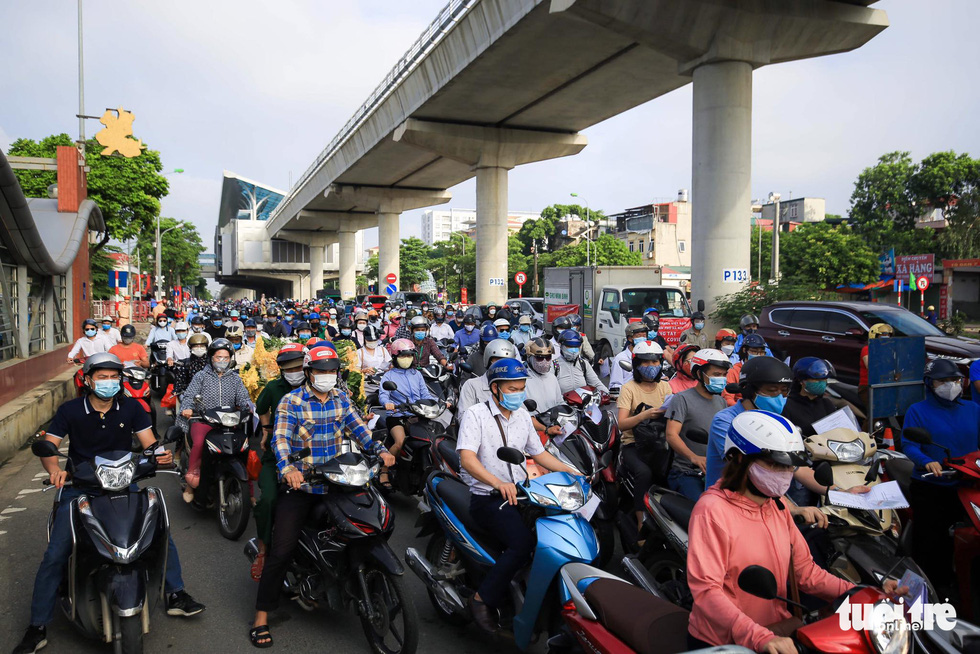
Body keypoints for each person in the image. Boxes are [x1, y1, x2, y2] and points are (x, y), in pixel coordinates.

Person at [12, 354, 204, 654]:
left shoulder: (131, 407)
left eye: (114, 377)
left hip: (123, 484)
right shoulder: (70, 410)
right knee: (57, 553)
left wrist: (158, 455)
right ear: (87, 380)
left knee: (158, 533)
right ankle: (37, 626)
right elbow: (49, 445)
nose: (108, 383)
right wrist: (55, 471)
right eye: (101, 377)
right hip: (81, 488)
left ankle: (176, 593)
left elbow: (148, 443)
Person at [686, 410, 885, 654]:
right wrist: (758, 637)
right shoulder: (711, 511)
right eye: (773, 464)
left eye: (789, 466)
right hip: (725, 642)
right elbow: (707, 592)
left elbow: (807, 573)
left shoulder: (776, 506)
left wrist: (862, 593)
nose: (784, 474)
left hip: (776, 633)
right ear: (738, 459)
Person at [250, 346, 394, 648]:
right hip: (304, 484)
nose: (326, 376)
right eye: (320, 371)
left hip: (340, 480)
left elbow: (359, 430)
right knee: (282, 550)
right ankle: (261, 615)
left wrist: (380, 450)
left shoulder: (342, 399)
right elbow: (279, 439)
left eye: (331, 371)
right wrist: (288, 467)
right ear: (308, 373)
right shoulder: (292, 401)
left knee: (369, 522)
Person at [455, 357, 580, 633]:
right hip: (487, 496)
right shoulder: (476, 415)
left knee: (549, 540)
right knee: (521, 545)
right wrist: (497, 483)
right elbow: (467, 458)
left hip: (524, 495)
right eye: (512, 389)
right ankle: (481, 599)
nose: (518, 393)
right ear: (496, 388)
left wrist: (574, 472)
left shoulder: (523, 414)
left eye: (521, 387)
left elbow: (539, 454)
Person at [901, 358, 980, 595]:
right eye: (943, 381)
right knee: (931, 542)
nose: (950, 385)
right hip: (932, 484)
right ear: (929, 384)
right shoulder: (917, 411)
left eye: (955, 380)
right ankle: (933, 588)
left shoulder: (974, 410)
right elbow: (909, 444)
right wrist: (927, 462)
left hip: (968, 483)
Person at [251, 343, 306, 582]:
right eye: (289, 367)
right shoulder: (274, 387)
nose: (295, 371)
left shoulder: (315, 387)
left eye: (298, 366)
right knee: (269, 499)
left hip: (309, 456)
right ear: (281, 368)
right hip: (277, 456)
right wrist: (266, 430)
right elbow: (261, 408)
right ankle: (263, 550)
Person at [178, 338, 251, 502]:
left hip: (228, 422)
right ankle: (191, 480)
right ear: (211, 357)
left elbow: (243, 398)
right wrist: (187, 409)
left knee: (244, 446)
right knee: (199, 442)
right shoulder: (201, 376)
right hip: (204, 421)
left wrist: (248, 407)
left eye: (226, 358)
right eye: (219, 357)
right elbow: (189, 396)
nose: (222, 361)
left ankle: (249, 491)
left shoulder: (235, 378)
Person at [616, 340, 672, 532]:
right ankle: (641, 522)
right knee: (644, 473)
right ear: (637, 365)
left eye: (655, 362)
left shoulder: (665, 387)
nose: (651, 367)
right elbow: (622, 424)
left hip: (660, 442)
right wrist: (643, 416)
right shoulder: (628, 388)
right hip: (634, 444)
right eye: (646, 363)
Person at [664, 349, 730, 500]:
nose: (721, 379)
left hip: (716, 472)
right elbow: (671, 434)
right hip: (686, 472)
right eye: (716, 375)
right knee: (702, 508)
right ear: (699, 374)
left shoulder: (722, 402)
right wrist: (694, 457)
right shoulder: (681, 399)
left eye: (724, 375)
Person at [379, 339, 441, 458]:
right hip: (397, 416)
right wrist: (387, 403)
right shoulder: (389, 375)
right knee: (400, 442)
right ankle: (384, 469)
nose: (407, 358)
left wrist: (439, 402)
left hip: (418, 414)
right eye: (403, 356)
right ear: (395, 356)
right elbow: (383, 395)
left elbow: (425, 394)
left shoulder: (416, 374)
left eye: (409, 355)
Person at [459, 340, 520, 413]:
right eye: (498, 360)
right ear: (488, 360)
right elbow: (464, 418)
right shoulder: (472, 386)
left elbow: (521, 415)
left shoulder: (516, 387)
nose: (502, 365)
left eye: (506, 361)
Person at [522, 338, 565, 438]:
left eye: (548, 357)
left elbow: (560, 403)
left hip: (554, 429)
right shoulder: (522, 381)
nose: (545, 361)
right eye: (540, 358)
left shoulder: (552, 378)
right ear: (530, 357)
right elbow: (523, 415)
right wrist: (545, 429)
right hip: (533, 433)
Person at [555, 329, 608, 395]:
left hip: (583, 403)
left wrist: (608, 394)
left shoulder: (584, 364)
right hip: (562, 404)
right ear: (561, 346)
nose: (574, 350)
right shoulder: (554, 365)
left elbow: (596, 383)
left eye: (576, 347)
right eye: (570, 346)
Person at [858, 322, 893, 423]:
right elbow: (870, 366)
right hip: (868, 387)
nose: (886, 337)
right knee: (876, 412)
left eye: (888, 335)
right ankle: (864, 435)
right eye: (883, 335)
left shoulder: (890, 350)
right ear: (875, 335)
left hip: (884, 385)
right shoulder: (867, 349)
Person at [722, 333, 769, 406]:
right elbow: (728, 399)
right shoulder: (734, 371)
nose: (758, 355)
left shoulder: (765, 371)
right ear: (744, 350)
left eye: (761, 352)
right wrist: (745, 410)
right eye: (754, 351)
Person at [610, 322, 648, 394]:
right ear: (630, 338)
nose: (642, 338)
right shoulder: (620, 359)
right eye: (639, 336)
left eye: (644, 336)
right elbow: (614, 387)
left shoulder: (649, 355)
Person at [357, 325, 391, 400]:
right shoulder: (360, 352)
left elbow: (390, 364)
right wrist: (364, 370)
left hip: (383, 382)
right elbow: (355, 371)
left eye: (374, 341)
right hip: (367, 384)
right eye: (370, 341)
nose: (372, 343)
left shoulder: (382, 350)